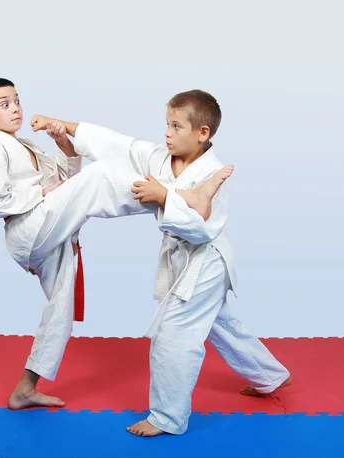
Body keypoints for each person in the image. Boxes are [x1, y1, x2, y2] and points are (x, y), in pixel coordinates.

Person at [37, 89, 291, 436]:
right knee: (221, 325)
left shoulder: (213, 174)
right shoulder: (159, 157)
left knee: (174, 335)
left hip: (205, 264)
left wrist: (163, 196)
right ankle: (271, 376)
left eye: (176, 126)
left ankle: (167, 418)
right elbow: (115, 144)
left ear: (203, 133)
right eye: (166, 125)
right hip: (184, 262)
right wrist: (63, 126)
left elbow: (202, 230)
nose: (167, 133)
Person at [0, 78, 233, 410]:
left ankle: (25, 388)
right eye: (4, 104)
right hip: (30, 228)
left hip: (53, 225)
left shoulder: (26, 145)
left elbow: (68, 184)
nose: (16, 109)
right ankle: (182, 197)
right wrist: (41, 192)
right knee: (102, 175)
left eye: (17, 100)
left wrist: (64, 144)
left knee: (60, 312)